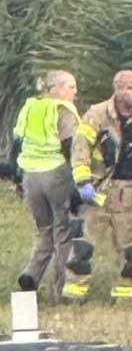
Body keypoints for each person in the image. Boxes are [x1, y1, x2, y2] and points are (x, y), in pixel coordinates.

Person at [62, 70, 132, 301]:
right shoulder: (97, 115)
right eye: (131, 88)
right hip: (99, 191)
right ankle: (74, 293)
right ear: (118, 90)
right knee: (83, 245)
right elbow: (80, 148)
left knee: (130, 248)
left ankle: (126, 293)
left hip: (129, 193)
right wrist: (84, 181)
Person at [12, 70, 80, 302]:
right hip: (55, 173)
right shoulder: (63, 110)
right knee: (63, 230)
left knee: (44, 229)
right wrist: (80, 177)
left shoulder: (29, 107)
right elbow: (70, 145)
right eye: (71, 87)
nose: (75, 92)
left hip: (30, 175)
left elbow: (17, 141)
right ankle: (60, 288)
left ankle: (31, 274)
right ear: (57, 88)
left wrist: (17, 178)